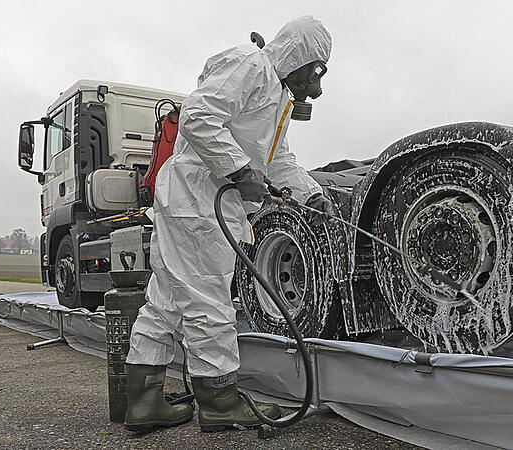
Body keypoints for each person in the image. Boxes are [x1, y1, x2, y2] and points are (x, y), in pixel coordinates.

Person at [123, 15, 334, 433]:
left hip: (191, 201)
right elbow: (198, 116)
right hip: (199, 201)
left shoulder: (277, 99)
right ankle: (219, 401)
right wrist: (238, 171)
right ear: (302, 57)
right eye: (316, 72)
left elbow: (276, 159)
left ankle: (143, 402)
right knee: (210, 299)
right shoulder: (252, 67)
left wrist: (311, 194)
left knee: (166, 301)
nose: (318, 86)